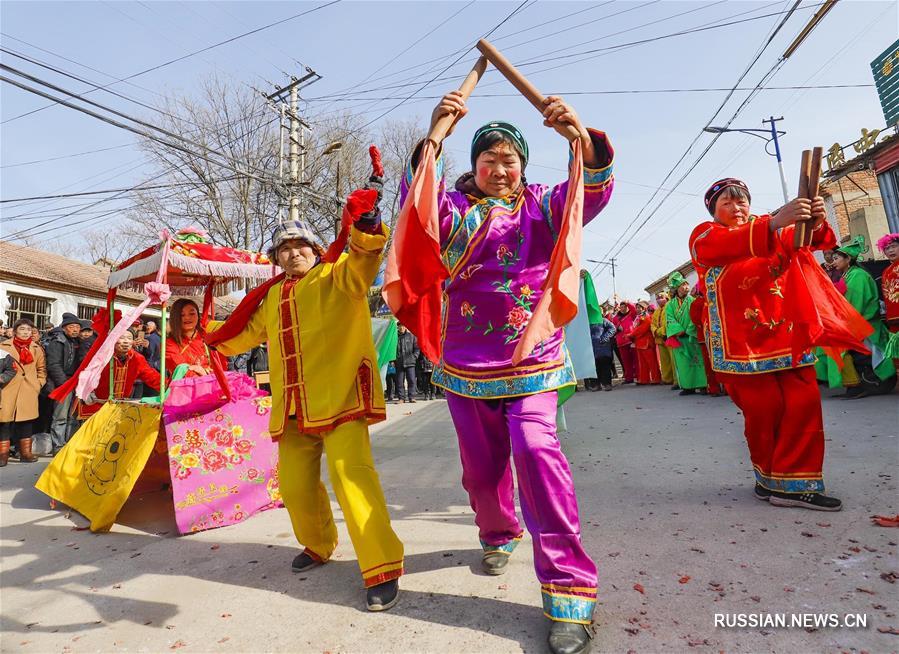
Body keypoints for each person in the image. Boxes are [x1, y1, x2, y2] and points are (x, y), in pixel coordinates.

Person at [404, 90, 614, 653]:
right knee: (481, 469)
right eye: (489, 159)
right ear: (473, 165)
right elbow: (414, 210)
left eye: (510, 160)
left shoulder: (543, 205)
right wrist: (435, 135)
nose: (500, 169)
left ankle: (570, 592)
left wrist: (582, 140)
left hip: (532, 355)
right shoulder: (451, 208)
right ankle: (498, 531)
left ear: (523, 165)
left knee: (535, 449)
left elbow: (588, 197)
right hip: (464, 359)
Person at [205, 190, 404, 611]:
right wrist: (203, 330)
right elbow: (241, 335)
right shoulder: (271, 298)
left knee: (354, 482)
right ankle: (319, 544)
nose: (293, 253)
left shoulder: (338, 277)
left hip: (341, 398)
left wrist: (366, 227)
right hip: (293, 407)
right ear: (275, 258)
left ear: (314, 249)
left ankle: (383, 566)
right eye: (284, 248)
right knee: (294, 487)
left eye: (300, 245)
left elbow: (365, 260)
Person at [690, 177, 843, 510]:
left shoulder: (771, 231)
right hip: (740, 345)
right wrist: (775, 221)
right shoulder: (705, 235)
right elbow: (718, 247)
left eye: (741, 200)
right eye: (726, 203)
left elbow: (806, 240)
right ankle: (769, 478)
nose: (737, 207)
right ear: (713, 211)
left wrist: (813, 220)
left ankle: (797, 484)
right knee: (763, 412)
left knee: (804, 404)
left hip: (787, 338)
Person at [830, 236, 897, 397]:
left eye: (837, 258)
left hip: (864, 323)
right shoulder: (848, 275)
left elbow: (855, 304)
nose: (833, 261)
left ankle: (861, 382)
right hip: (856, 320)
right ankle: (853, 382)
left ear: (848, 259)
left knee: (840, 344)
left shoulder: (858, 275)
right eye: (887, 248)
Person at [76, 331, 161, 419]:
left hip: (120, 407)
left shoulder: (137, 358)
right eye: (122, 337)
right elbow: (86, 373)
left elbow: (152, 377)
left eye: (129, 338)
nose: (126, 341)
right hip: (96, 405)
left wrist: (171, 387)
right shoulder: (101, 355)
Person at [0, 319, 46, 465]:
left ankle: (25, 453)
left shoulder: (37, 348)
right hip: (7, 388)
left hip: (28, 389)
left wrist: (38, 384)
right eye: (22, 329)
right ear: (14, 331)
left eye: (29, 330)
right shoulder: (4, 346)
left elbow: (42, 370)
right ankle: (3, 455)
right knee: (4, 421)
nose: (26, 332)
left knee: (26, 422)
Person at [43, 312, 82, 454]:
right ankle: (58, 446)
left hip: (73, 383)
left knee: (71, 416)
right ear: (64, 328)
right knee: (60, 416)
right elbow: (53, 365)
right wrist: (65, 384)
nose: (76, 330)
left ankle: (68, 444)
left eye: (77, 327)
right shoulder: (57, 341)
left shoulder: (77, 342)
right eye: (72, 327)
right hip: (62, 384)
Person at [664, 273, 707, 395]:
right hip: (679, 338)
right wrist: (678, 331)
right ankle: (688, 387)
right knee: (683, 364)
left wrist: (688, 330)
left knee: (698, 361)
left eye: (686, 284)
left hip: (691, 336)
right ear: (677, 289)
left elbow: (696, 318)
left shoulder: (693, 301)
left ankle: (703, 385)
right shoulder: (670, 305)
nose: (685, 287)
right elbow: (669, 319)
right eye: (682, 285)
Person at [165, 299, 227, 378]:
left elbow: (221, 367)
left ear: (198, 315)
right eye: (182, 315)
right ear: (175, 318)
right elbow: (182, 372)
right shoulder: (169, 344)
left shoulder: (209, 338)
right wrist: (204, 374)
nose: (187, 318)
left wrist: (204, 372)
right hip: (185, 388)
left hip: (212, 386)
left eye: (191, 313)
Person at [688, 287, 724, 396]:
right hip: (717, 336)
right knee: (721, 361)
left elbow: (695, 319)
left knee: (710, 364)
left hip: (705, 336)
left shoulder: (697, 303)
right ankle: (725, 388)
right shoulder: (713, 299)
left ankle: (714, 388)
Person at [630, 300, 660, 385]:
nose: (637, 309)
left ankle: (656, 378)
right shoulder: (638, 317)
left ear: (644, 308)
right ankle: (644, 379)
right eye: (637, 307)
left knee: (652, 362)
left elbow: (642, 329)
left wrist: (631, 334)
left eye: (639, 307)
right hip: (639, 342)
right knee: (642, 363)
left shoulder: (647, 317)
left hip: (646, 342)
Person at [650, 291, 677, 388]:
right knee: (664, 360)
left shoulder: (669, 307)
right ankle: (667, 379)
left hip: (669, 337)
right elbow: (652, 324)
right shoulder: (656, 311)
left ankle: (676, 380)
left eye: (661, 297)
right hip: (659, 339)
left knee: (673, 360)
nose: (658, 299)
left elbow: (668, 322)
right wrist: (655, 331)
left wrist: (661, 331)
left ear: (667, 298)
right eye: (657, 298)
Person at [610, 301, 637, 384]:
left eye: (624, 306)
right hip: (621, 342)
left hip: (631, 340)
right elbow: (612, 329)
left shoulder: (631, 314)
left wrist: (627, 302)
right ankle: (629, 378)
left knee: (635, 360)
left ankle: (638, 376)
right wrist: (617, 329)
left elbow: (634, 309)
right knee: (626, 361)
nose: (623, 308)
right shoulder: (615, 318)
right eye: (621, 307)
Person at [589, 314, 616, 391]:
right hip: (591, 349)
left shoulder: (603, 320)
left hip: (603, 348)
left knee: (605, 367)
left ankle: (607, 384)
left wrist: (605, 337)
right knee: (594, 367)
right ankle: (596, 385)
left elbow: (613, 328)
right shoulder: (587, 322)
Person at [394, 324, 419, 403]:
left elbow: (417, 348)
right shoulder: (394, 337)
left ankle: (412, 397)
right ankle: (401, 398)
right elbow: (392, 350)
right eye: (400, 326)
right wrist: (393, 360)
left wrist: (414, 357)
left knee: (411, 380)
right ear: (398, 327)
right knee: (399, 381)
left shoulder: (411, 336)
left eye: (403, 326)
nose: (401, 328)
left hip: (410, 362)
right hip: (399, 363)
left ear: (405, 327)